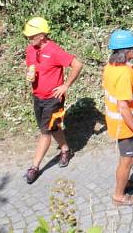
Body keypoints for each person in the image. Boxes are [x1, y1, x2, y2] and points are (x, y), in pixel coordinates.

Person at [23, 16, 84, 184]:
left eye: (31, 36)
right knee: (54, 126)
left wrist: (65, 85)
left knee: (45, 132)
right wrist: (30, 74)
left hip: (53, 99)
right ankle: (65, 149)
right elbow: (32, 67)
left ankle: (34, 167)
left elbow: (77, 64)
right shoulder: (30, 50)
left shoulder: (54, 50)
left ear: (42, 35)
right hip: (38, 97)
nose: (29, 39)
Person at [103, 29, 133, 206]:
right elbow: (123, 107)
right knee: (127, 160)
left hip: (119, 124)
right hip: (125, 126)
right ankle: (119, 196)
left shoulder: (111, 67)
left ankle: (125, 182)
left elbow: (123, 94)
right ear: (127, 51)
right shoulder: (123, 73)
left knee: (126, 159)